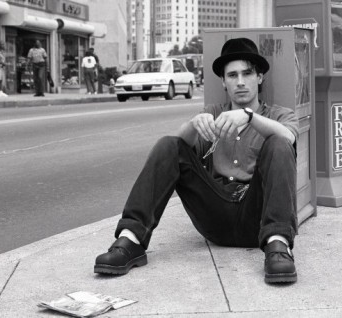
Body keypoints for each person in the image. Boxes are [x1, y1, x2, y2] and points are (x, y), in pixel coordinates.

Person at [94, 38, 299, 284]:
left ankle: (279, 246)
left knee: (278, 142)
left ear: (260, 77)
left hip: (258, 217)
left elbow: (288, 137)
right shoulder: (212, 114)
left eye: (247, 73)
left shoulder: (278, 115)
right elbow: (176, 147)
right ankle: (131, 241)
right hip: (215, 214)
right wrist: (192, 125)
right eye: (232, 75)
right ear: (223, 82)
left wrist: (249, 117)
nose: (241, 81)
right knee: (169, 143)